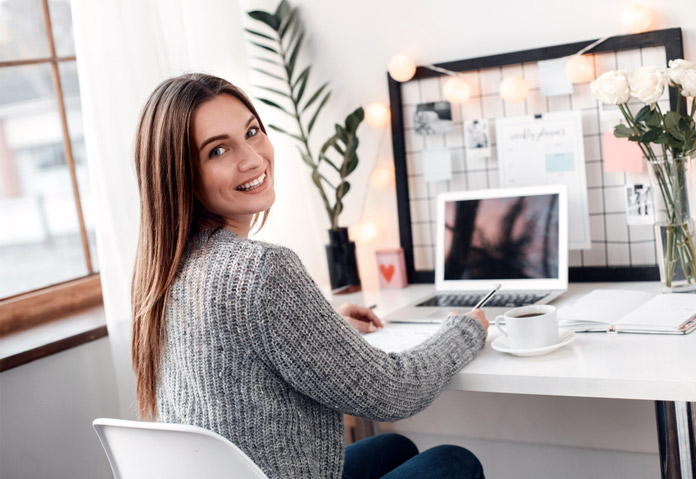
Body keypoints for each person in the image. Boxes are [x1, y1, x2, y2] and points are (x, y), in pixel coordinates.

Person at [131, 73, 489, 479]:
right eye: (217, 151)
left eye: (252, 131)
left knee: (395, 447)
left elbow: (234, 360)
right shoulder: (261, 269)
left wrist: (325, 329)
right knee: (454, 462)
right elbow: (392, 393)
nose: (252, 158)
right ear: (180, 175)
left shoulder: (166, 268)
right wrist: (464, 330)